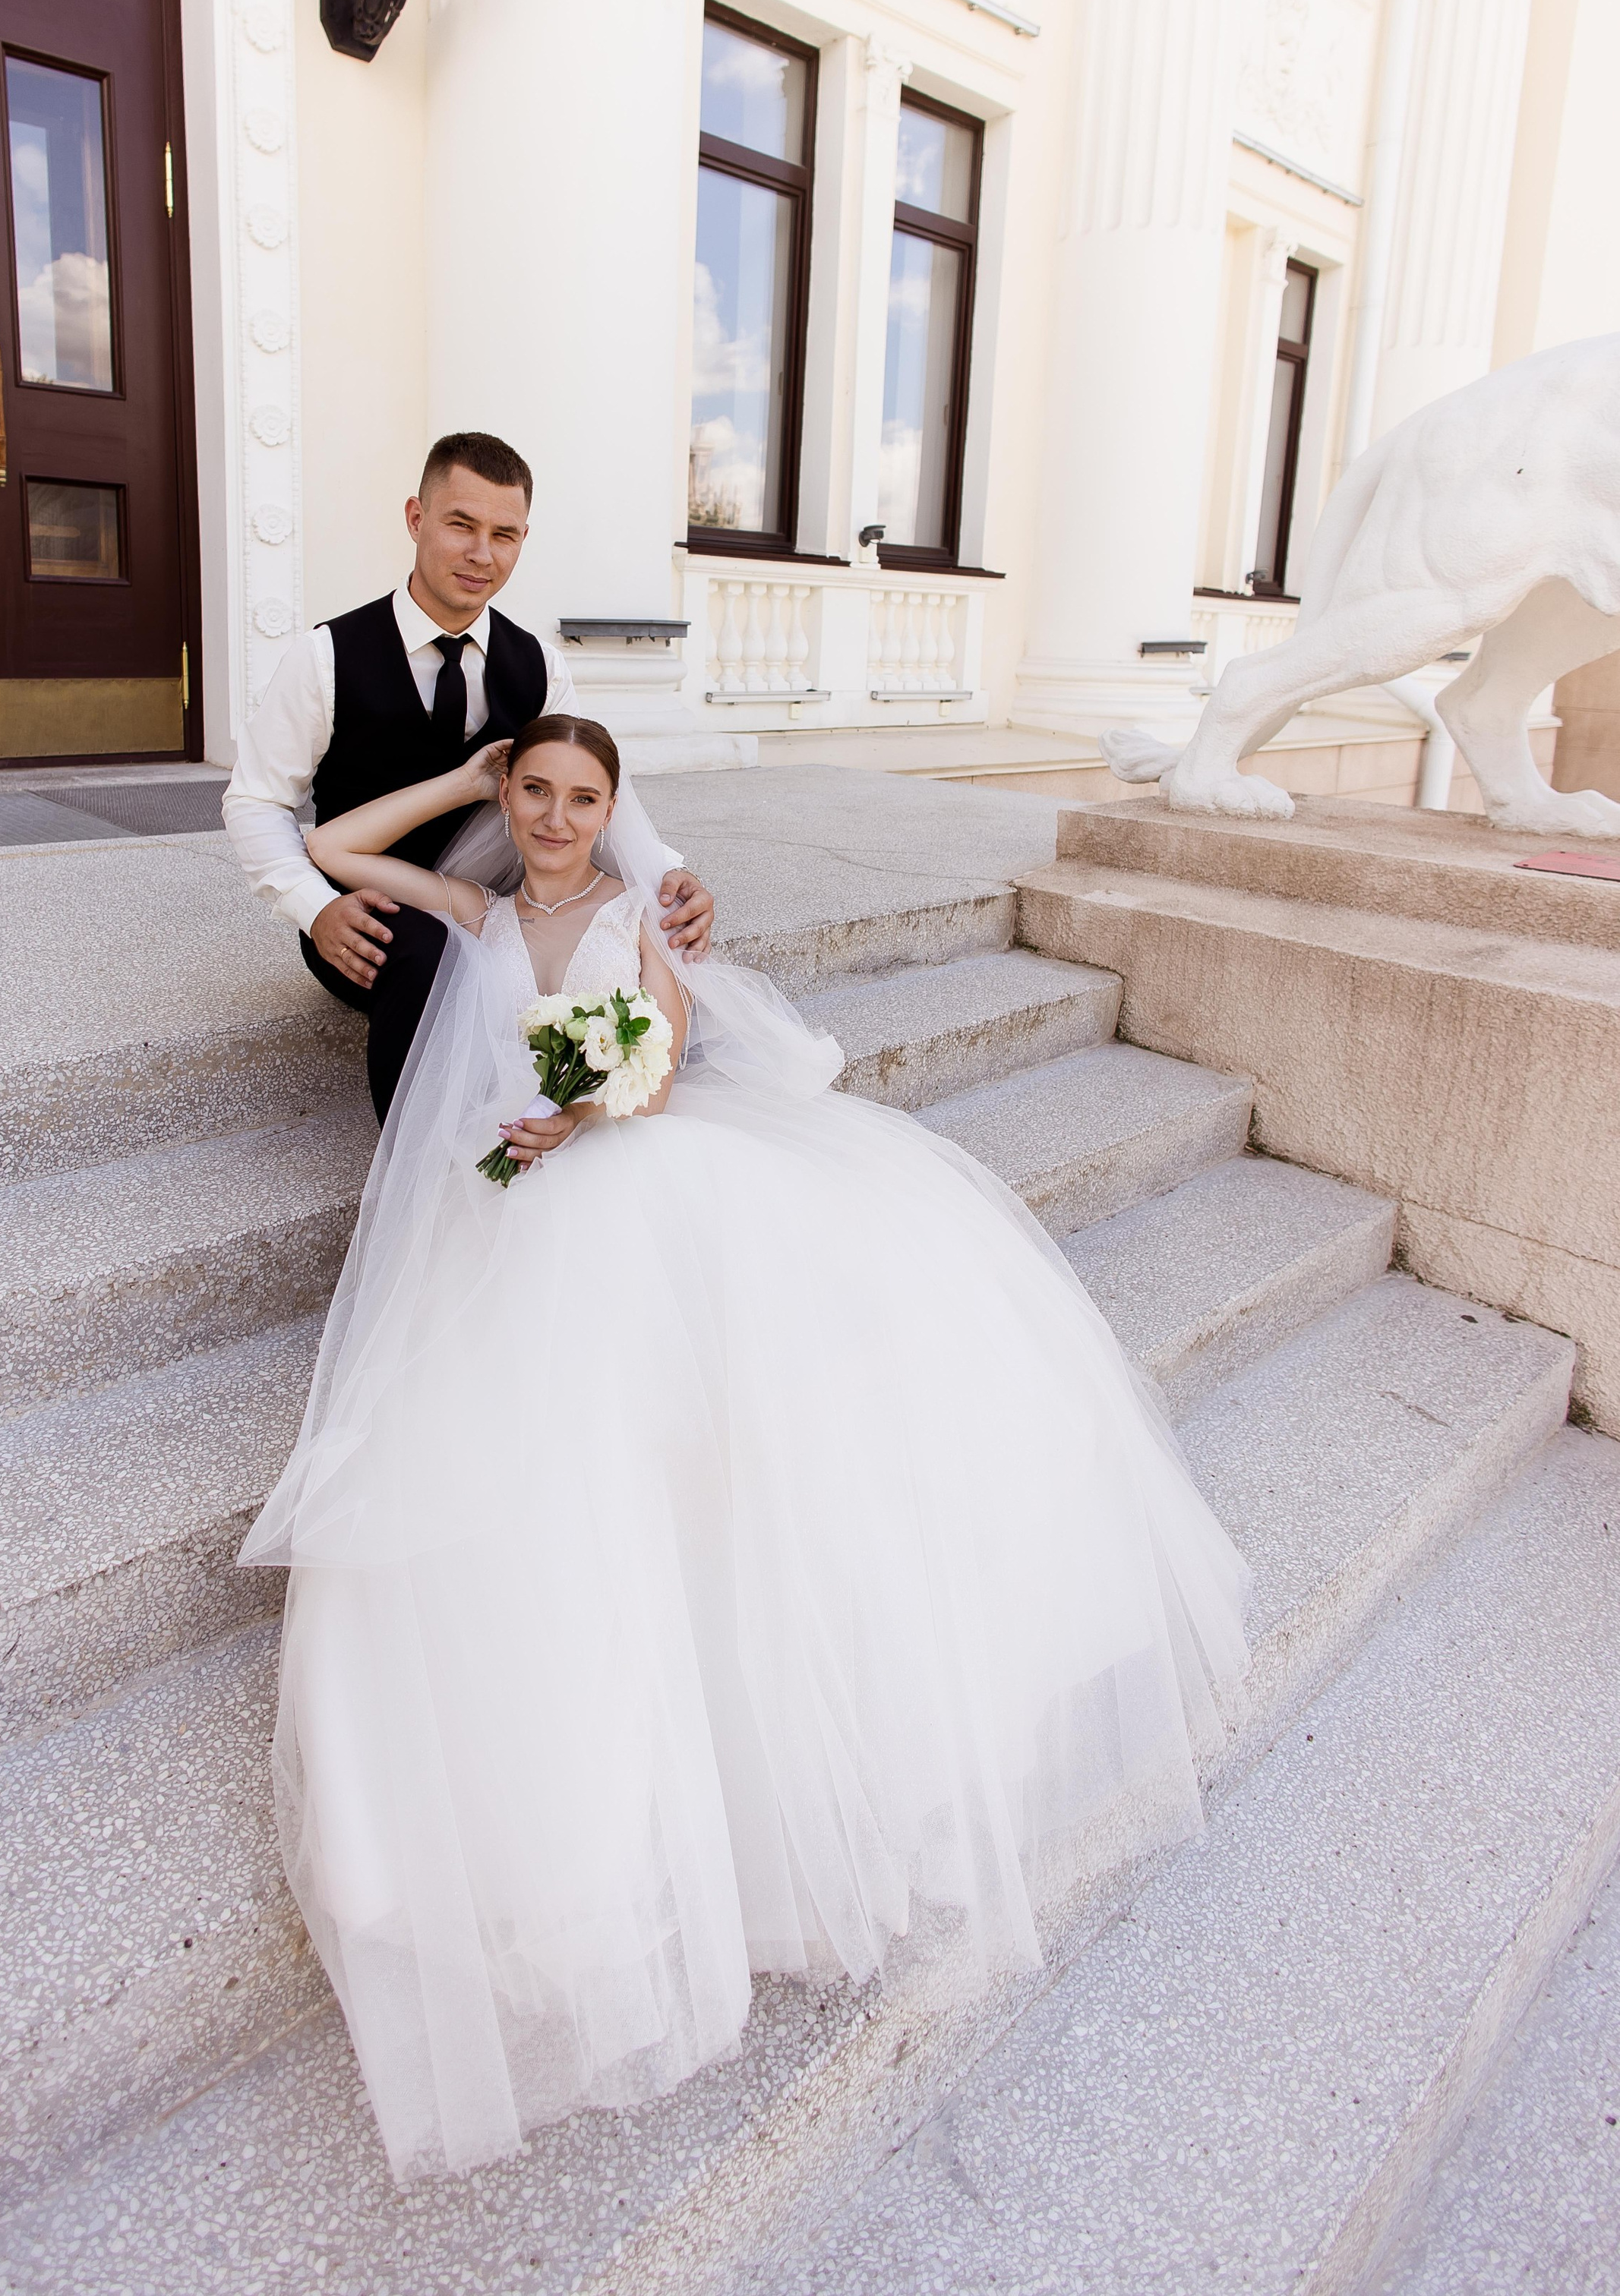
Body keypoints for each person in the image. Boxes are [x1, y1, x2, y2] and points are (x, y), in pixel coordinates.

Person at [241, 713, 1252, 2184]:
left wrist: (574, 1112)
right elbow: (333, 850)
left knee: (689, 1425)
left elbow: (659, 1053)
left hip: (614, 1167)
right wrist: (456, 784)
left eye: (583, 797)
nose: (557, 817)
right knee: (531, 1451)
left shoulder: (635, 910)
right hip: (511, 1196)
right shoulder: (472, 905)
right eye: (534, 792)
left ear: (610, 809)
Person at [222, 430, 715, 1119]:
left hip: (494, 903)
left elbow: (588, 785)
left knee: (625, 956)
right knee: (429, 959)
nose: (483, 554)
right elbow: (255, 802)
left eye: (505, 534)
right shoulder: (326, 657)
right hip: (368, 910)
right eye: (461, 525)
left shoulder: (539, 664)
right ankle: (432, 1186)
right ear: (417, 519)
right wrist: (314, 906)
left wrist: (664, 876)